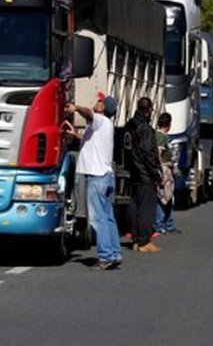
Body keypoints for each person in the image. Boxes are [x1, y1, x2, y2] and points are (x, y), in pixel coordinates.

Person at [66, 93, 122, 270]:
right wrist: (76, 135)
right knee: (108, 217)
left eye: (100, 102)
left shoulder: (99, 120)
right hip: (106, 176)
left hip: (97, 176)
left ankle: (105, 256)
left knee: (98, 219)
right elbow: (91, 143)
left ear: (103, 108)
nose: (97, 103)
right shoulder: (103, 126)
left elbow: (88, 114)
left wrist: (76, 108)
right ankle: (114, 253)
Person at [122, 97, 163, 252]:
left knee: (135, 206)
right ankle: (144, 241)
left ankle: (135, 238)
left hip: (133, 171)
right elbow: (148, 154)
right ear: (147, 111)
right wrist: (156, 174)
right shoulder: (144, 129)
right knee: (146, 208)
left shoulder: (129, 126)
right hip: (144, 173)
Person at [154, 112, 180, 235]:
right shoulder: (160, 137)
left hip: (167, 168)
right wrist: (161, 172)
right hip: (163, 169)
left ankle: (167, 223)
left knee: (168, 197)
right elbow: (158, 154)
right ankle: (160, 224)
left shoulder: (162, 136)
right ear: (168, 125)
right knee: (163, 197)